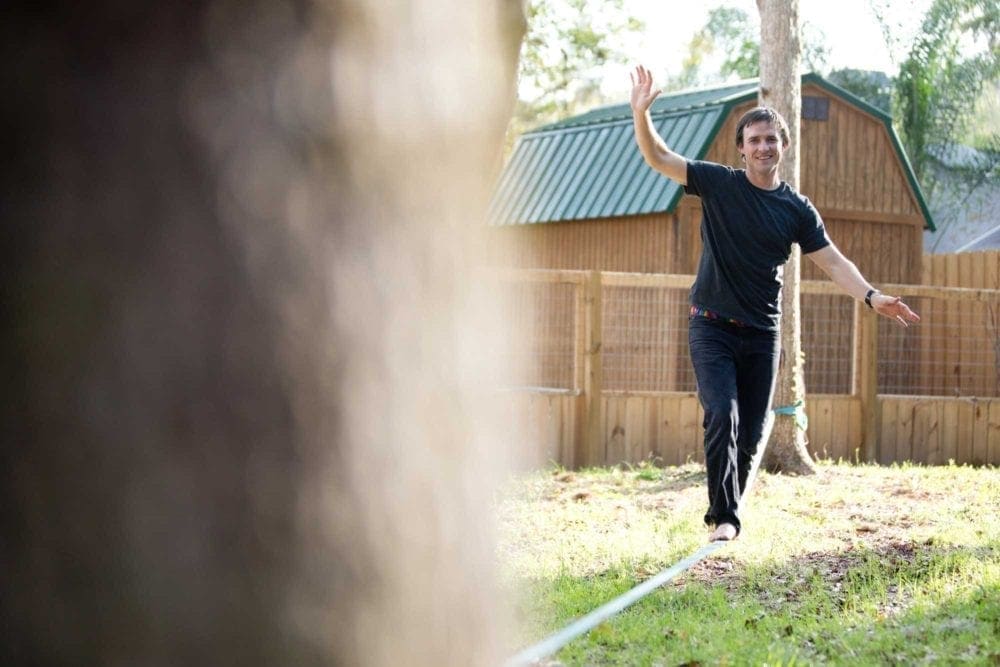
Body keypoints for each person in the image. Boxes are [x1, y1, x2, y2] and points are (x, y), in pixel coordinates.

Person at [628, 65, 921, 542]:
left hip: (763, 334)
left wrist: (871, 296)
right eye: (755, 139)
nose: (763, 147)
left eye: (772, 139)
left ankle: (727, 514)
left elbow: (832, 261)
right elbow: (658, 157)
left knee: (751, 434)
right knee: (723, 412)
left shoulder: (796, 209)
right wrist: (641, 114)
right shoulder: (719, 184)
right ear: (741, 147)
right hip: (712, 325)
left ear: (784, 146)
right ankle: (725, 518)